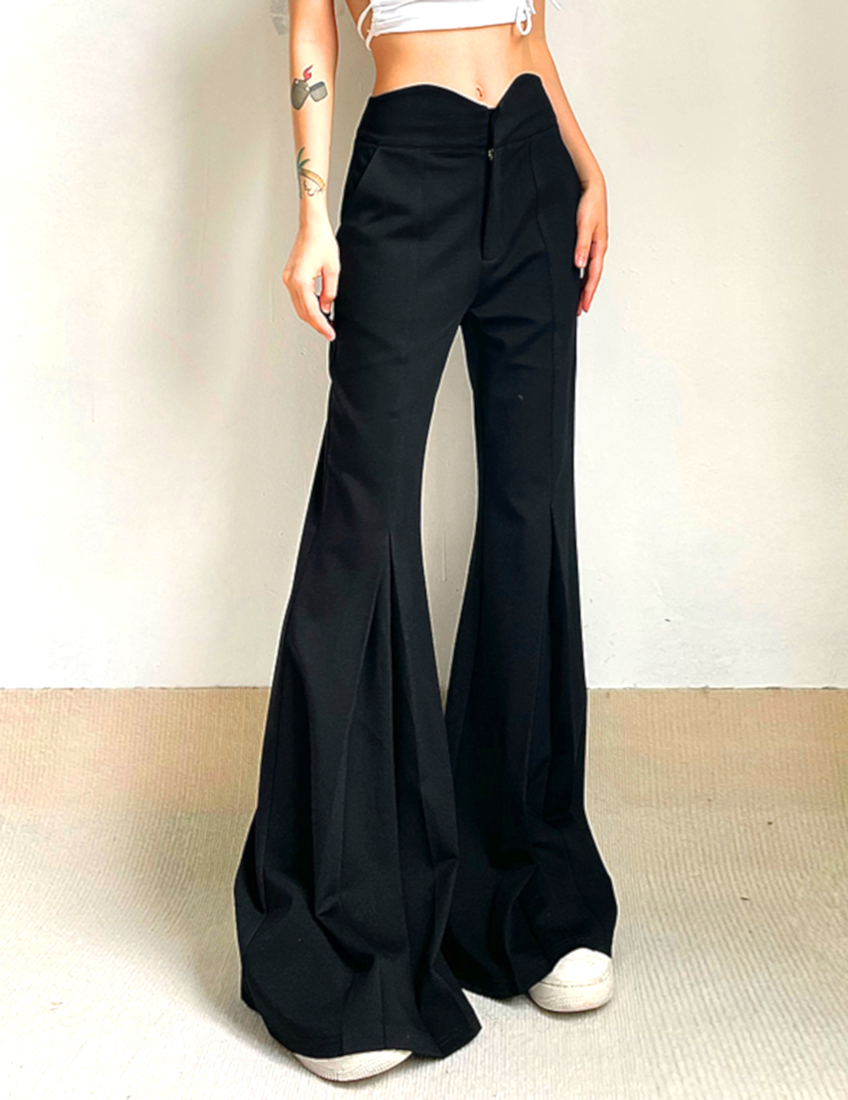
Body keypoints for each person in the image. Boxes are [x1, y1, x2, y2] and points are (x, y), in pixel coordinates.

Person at [233, 0, 618, 1082]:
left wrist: (586, 166)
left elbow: (526, 27)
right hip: (409, 164)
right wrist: (313, 213)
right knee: (362, 530)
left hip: (534, 162)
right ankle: (343, 939)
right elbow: (312, 31)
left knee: (531, 515)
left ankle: (526, 893)